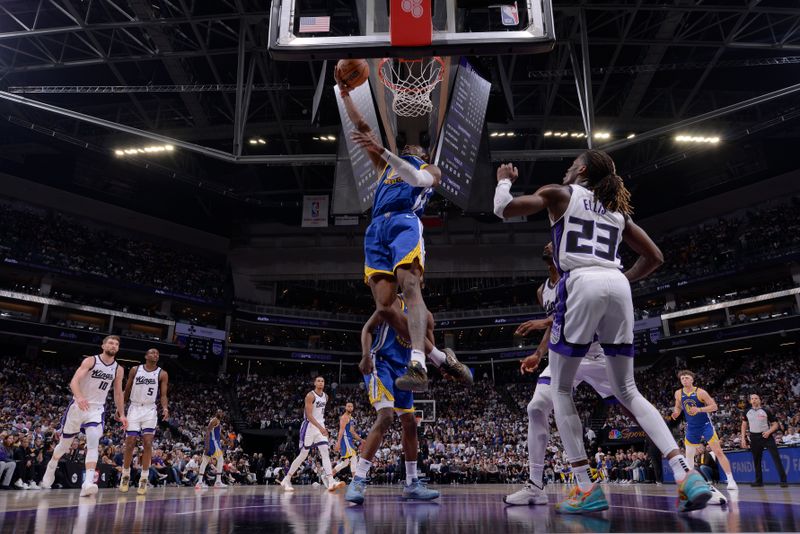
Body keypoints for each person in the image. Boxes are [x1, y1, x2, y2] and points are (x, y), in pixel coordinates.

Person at [493, 151, 710, 513]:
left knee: (561, 390)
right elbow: (655, 257)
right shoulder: (617, 212)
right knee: (628, 390)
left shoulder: (560, 194)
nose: (565, 169)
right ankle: (685, 472)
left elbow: (504, 209)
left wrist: (503, 179)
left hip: (580, 283)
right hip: (616, 285)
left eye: (570, 164)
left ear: (580, 171)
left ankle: (585, 487)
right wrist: (616, 280)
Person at [337, 71, 468, 392]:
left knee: (410, 288)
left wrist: (383, 151)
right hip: (376, 229)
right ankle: (438, 357)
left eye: (417, 147)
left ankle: (418, 364)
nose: (413, 145)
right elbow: (363, 129)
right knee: (384, 306)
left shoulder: (428, 169)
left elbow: (415, 179)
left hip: (404, 223)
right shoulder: (385, 168)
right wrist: (346, 95)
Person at [504, 242, 616, 506]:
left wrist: (544, 321)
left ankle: (685, 471)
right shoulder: (542, 290)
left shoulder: (575, 277)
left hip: (594, 353)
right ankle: (535, 485)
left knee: (633, 405)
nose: (547, 244)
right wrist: (538, 354)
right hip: (562, 354)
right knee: (535, 408)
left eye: (553, 242)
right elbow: (552, 328)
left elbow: (573, 315)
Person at [345, 296, 440, 504]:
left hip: (404, 370)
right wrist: (365, 355)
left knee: (410, 424)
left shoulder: (427, 317)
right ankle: (358, 479)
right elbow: (368, 328)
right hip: (381, 362)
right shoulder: (394, 302)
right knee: (386, 416)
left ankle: (412, 482)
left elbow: (429, 349)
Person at [41, 336, 128, 496]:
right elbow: (74, 381)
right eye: (110, 342)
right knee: (64, 446)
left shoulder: (118, 369)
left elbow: (117, 393)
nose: (113, 345)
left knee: (94, 442)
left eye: (116, 344)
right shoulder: (91, 361)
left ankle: (88, 483)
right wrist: (80, 397)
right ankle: (52, 464)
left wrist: (122, 414)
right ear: (103, 345)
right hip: (78, 406)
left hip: (96, 409)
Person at [670, 370, 737, 490]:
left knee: (718, 452)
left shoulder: (701, 392)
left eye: (686, 378)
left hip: (705, 426)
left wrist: (699, 410)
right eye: (682, 378)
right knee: (689, 456)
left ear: (692, 380)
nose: (684, 380)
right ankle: (691, 482)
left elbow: (714, 406)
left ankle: (731, 480)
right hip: (691, 427)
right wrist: (676, 413)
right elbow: (678, 406)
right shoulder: (678, 393)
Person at [119, 348, 169, 495]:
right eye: (153, 353)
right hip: (134, 408)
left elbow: (163, 395)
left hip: (149, 410)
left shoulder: (162, 373)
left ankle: (144, 478)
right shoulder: (135, 370)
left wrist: (165, 408)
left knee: (147, 443)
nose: (156, 355)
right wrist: (120, 408)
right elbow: (126, 390)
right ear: (146, 356)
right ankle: (125, 475)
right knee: (130, 442)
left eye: (157, 353)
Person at [280, 377, 341, 492]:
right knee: (303, 455)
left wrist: (322, 428)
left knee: (325, 452)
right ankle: (287, 479)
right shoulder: (310, 396)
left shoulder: (326, 396)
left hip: (320, 427)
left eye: (322, 381)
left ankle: (331, 480)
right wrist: (321, 428)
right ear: (314, 383)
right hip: (309, 427)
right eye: (318, 381)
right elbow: (309, 416)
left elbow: (320, 414)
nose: (320, 383)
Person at [741, 393, 788, 487]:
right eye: (752, 398)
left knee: (776, 458)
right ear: (750, 401)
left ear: (759, 400)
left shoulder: (766, 411)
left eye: (756, 398)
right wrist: (743, 438)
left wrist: (769, 432)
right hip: (754, 437)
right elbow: (744, 425)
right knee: (756, 460)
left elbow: (775, 424)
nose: (754, 400)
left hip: (766, 436)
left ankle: (783, 481)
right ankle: (759, 481)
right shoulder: (746, 412)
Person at [195, 410, 229, 490]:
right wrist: (206, 445)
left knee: (205, 461)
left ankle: (199, 482)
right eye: (219, 412)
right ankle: (217, 482)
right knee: (220, 460)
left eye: (222, 412)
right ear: (216, 413)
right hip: (213, 443)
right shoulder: (214, 420)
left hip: (213, 442)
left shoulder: (217, 421)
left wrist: (226, 440)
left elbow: (219, 433)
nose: (221, 413)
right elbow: (207, 432)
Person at [332, 402, 362, 479]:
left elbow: (352, 432)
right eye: (348, 406)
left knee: (345, 463)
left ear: (353, 408)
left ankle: (328, 476)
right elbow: (341, 430)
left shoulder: (351, 417)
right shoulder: (344, 417)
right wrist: (338, 443)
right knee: (354, 457)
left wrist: (361, 440)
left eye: (351, 406)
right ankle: (355, 481)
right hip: (345, 439)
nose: (350, 408)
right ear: (346, 408)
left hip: (349, 439)